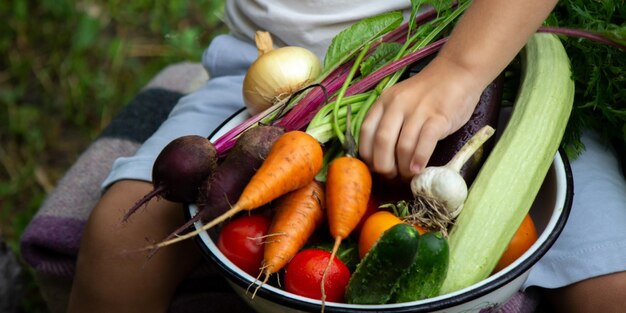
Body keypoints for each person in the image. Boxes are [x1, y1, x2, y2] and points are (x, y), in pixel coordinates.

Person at [67, 0, 626, 312]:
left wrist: (461, 72)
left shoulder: (476, 71)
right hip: (272, 84)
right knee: (115, 247)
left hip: (474, 63)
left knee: (613, 287)